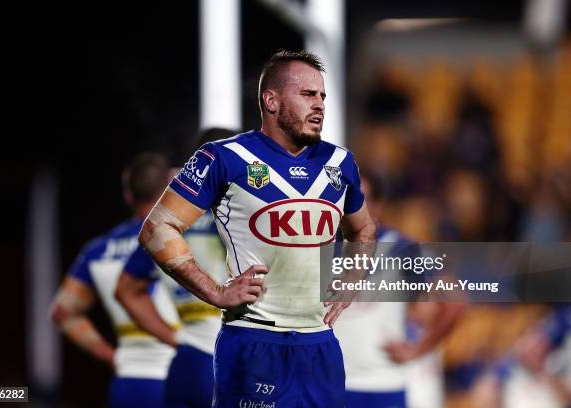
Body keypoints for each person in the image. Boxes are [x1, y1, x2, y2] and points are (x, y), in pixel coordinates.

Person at [138, 50, 377, 407]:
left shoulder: (340, 162)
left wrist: (351, 278)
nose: (320, 105)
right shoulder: (223, 157)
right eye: (307, 95)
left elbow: (364, 232)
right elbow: (158, 228)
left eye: (322, 96)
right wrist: (216, 292)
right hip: (253, 342)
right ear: (271, 100)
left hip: (320, 344)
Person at [115, 128, 235, 408]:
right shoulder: (244, 215)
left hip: (189, 358)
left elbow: (126, 290)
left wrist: (176, 338)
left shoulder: (168, 222)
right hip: (235, 357)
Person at [50, 153, 180, 408]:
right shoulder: (185, 236)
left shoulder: (98, 249)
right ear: (169, 187)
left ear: (128, 196)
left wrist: (111, 356)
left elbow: (63, 313)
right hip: (179, 377)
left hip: (127, 382)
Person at [335, 175, 464, 408]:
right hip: (332, 384)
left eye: (359, 201)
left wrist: (418, 350)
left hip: (383, 385)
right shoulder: (323, 246)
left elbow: (455, 302)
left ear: (378, 205)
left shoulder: (401, 248)